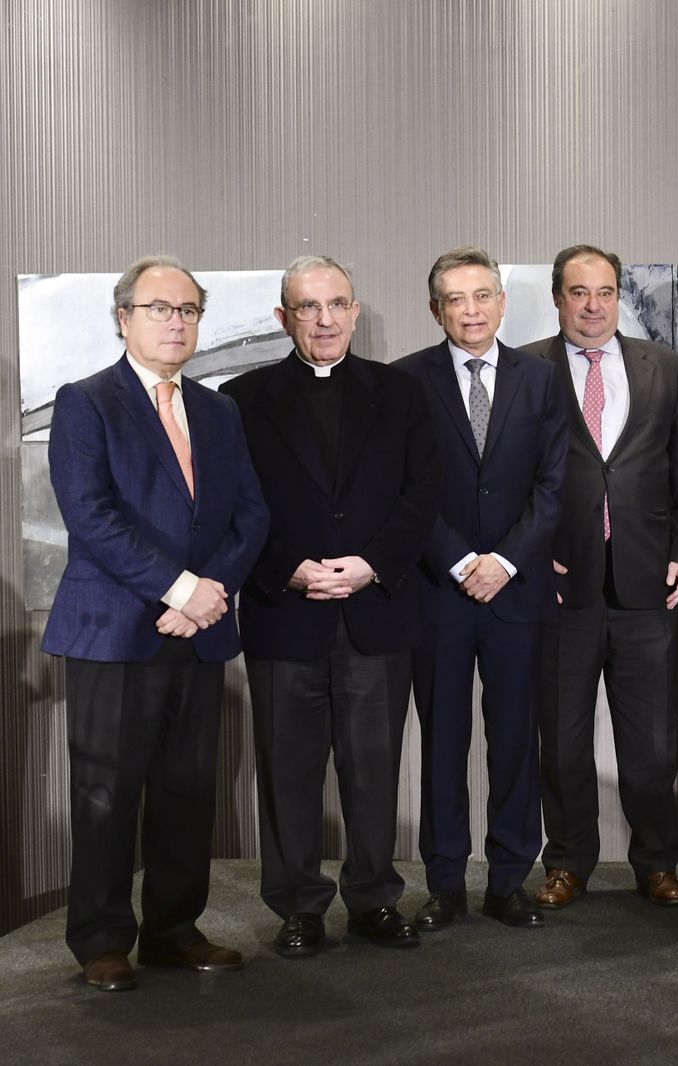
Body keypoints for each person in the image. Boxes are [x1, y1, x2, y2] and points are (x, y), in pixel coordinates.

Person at [44, 256, 268, 991]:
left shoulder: (219, 410)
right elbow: (92, 517)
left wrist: (210, 593)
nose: (177, 322)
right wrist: (179, 588)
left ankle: (173, 930)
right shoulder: (86, 401)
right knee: (106, 793)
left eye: (189, 310)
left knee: (186, 789)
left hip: (197, 632)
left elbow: (250, 515)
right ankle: (103, 941)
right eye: (160, 308)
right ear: (124, 318)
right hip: (114, 632)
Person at [221, 256, 441, 956]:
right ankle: (297, 907)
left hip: (374, 611)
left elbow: (423, 493)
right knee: (288, 774)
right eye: (308, 307)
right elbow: (234, 506)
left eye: (337, 304)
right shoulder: (242, 397)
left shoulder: (402, 394)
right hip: (286, 614)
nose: (325, 319)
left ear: (354, 310)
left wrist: (369, 565)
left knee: (374, 770)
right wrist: (290, 570)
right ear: (284, 318)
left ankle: (374, 899)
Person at [396, 247, 567, 931]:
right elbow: (405, 490)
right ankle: (444, 882)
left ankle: (508, 879)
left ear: (502, 302)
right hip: (439, 591)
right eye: (455, 299)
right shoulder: (406, 381)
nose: (470, 310)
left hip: (517, 592)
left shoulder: (541, 379)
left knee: (515, 739)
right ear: (436, 308)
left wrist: (507, 561)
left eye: (482, 295)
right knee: (442, 738)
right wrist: (463, 561)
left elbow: (555, 487)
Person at [528, 245, 678, 908]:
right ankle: (568, 861)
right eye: (579, 292)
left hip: (645, 589)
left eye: (604, 291)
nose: (593, 305)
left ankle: (657, 861)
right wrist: (529, 550)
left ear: (618, 295)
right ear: (558, 297)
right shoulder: (528, 371)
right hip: (561, 586)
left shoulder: (664, 368)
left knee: (652, 748)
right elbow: (513, 477)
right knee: (564, 743)